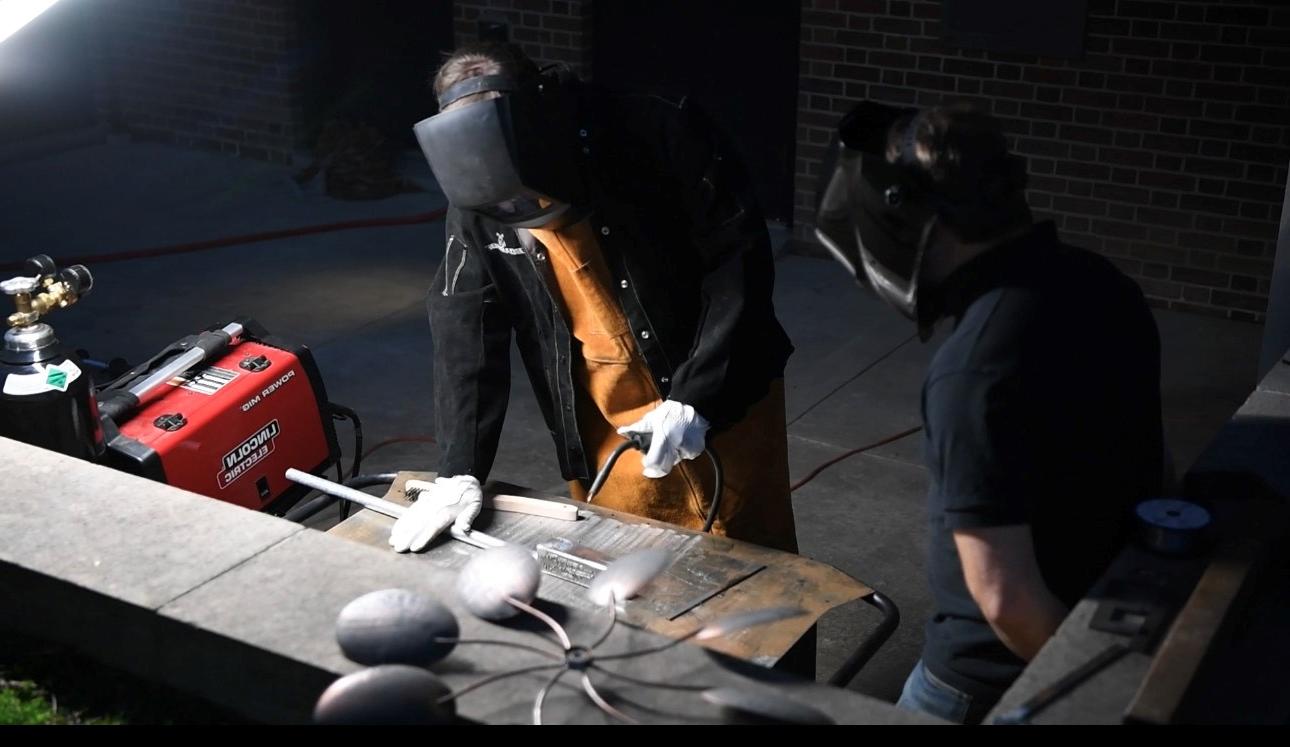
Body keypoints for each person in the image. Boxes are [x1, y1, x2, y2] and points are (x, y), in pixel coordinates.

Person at [815, 102, 1165, 723]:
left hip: (982, 677)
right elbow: (1150, 465)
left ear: (912, 216)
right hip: (1102, 603)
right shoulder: (1102, 283)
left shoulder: (973, 371)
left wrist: (1097, 697)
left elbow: (1004, 599)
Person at [389, 43, 798, 555]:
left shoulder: (660, 130)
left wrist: (696, 398)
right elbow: (465, 324)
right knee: (623, 559)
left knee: (747, 559)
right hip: (600, 407)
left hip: (718, 376)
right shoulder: (474, 190)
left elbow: (738, 265)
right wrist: (458, 470)